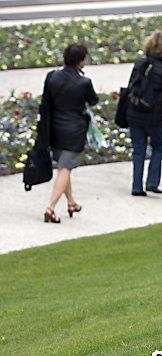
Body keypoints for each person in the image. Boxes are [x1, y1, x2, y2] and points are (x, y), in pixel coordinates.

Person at [40, 43, 98, 224]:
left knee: (64, 167)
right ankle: (50, 207)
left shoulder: (52, 77)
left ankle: (71, 203)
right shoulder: (84, 82)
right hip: (74, 130)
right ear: (81, 61)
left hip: (54, 129)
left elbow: (45, 100)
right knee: (65, 168)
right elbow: (93, 100)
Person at [126, 31, 162, 197]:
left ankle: (136, 185)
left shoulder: (140, 64)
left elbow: (131, 85)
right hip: (155, 115)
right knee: (158, 147)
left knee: (138, 149)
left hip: (135, 113)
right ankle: (152, 181)